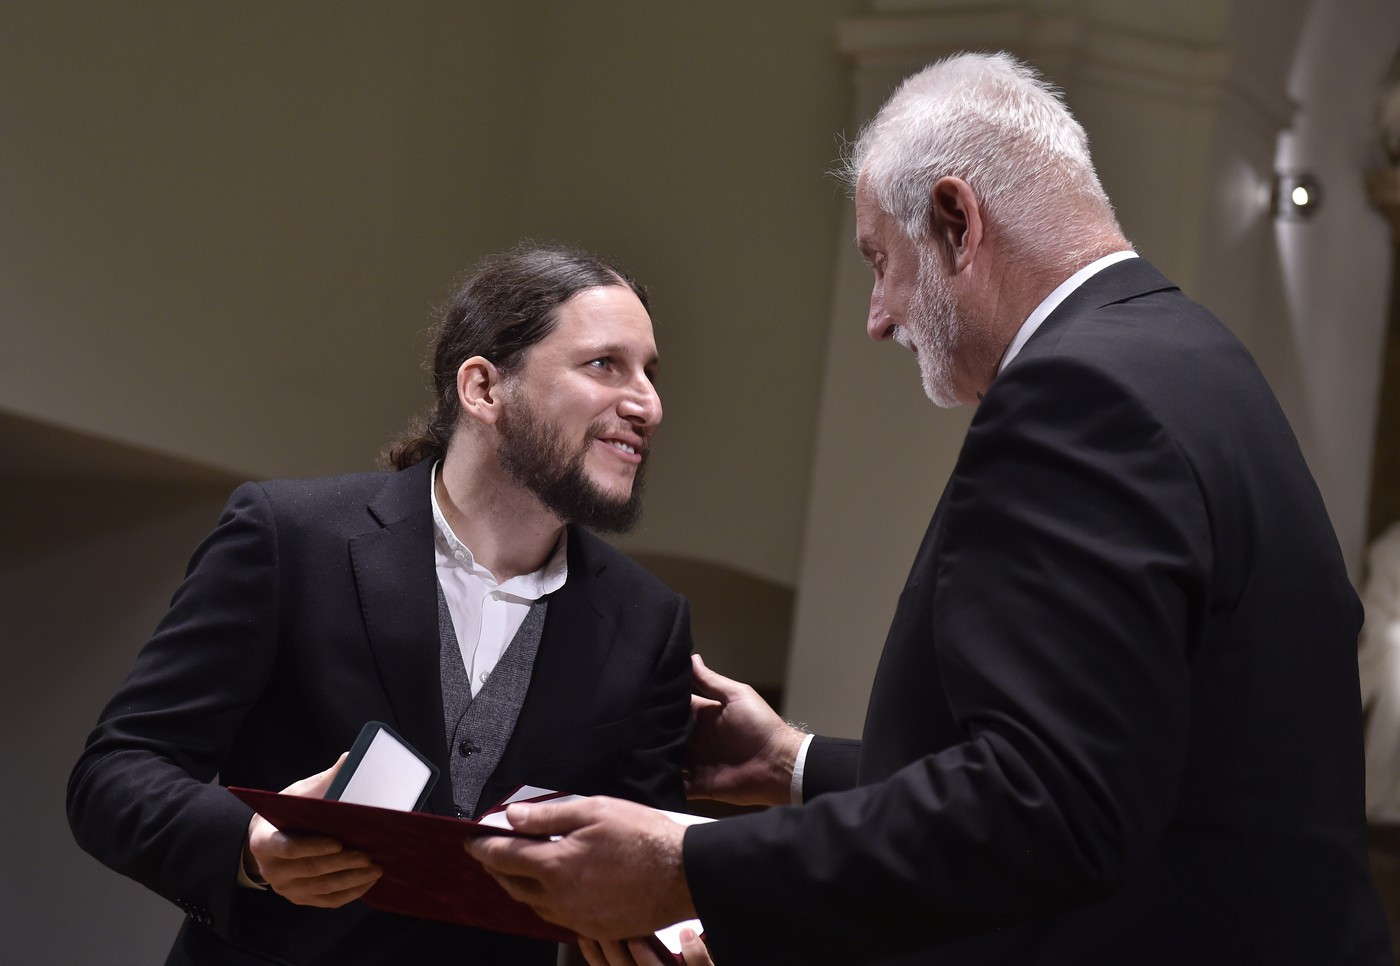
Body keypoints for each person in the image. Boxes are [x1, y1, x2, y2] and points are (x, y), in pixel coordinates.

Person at [467, 52, 1394, 964]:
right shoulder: (1194, 357)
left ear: (957, 220)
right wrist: (791, 764)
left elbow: (1047, 807)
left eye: (882, 260)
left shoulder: (1079, 393)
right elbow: (1129, 759)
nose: (879, 315)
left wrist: (686, 864)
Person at [67, 242, 695, 965]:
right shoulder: (290, 539)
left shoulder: (650, 622)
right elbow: (115, 774)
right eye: (603, 365)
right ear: (485, 389)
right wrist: (251, 843)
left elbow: (648, 862)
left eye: (650, 373)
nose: (646, 402)